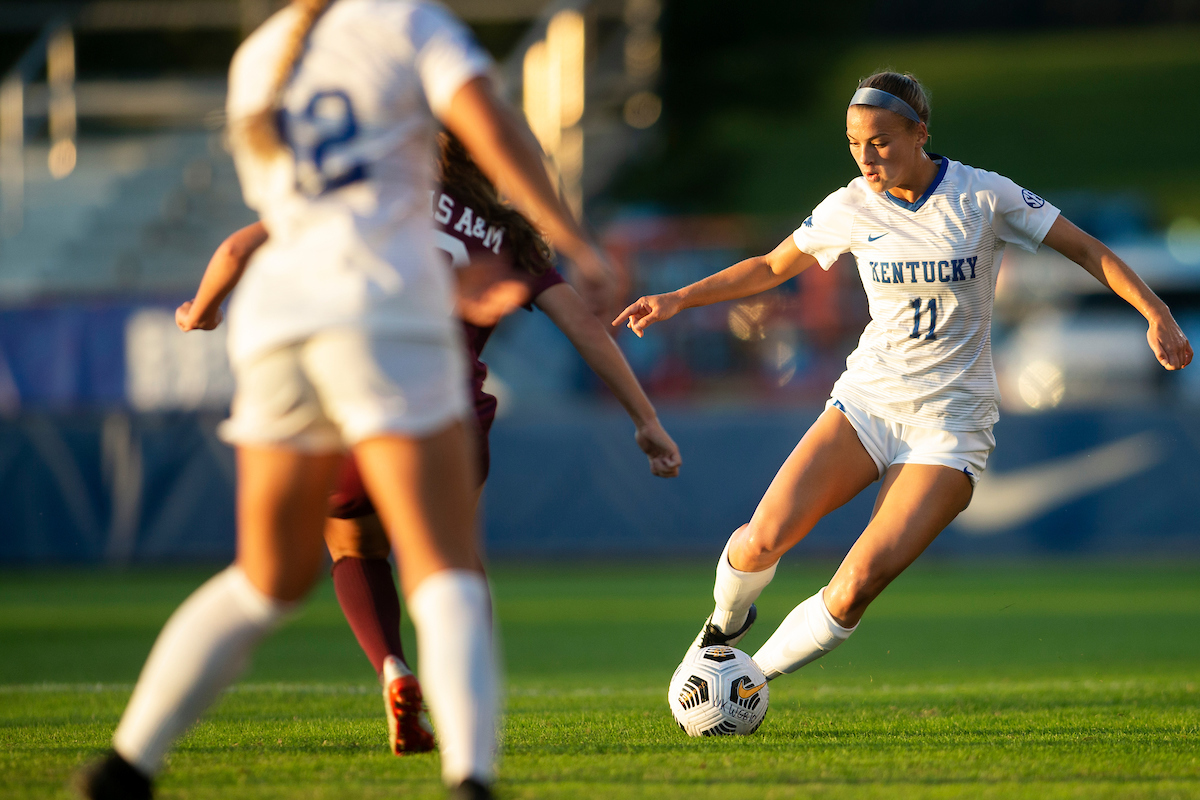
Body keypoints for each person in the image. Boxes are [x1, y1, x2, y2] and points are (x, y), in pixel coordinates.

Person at [76, 1, 616, 799]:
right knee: (442, 569)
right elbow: (490, 128)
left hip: (278, 316)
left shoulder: (259, 53)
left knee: (268, 578)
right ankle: (471, 780)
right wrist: (573, 241)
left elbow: (282, 213)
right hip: (382, 308)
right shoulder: (406, 23)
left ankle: (126, 765)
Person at [614, 71, 1192, 686]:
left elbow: (1085, 248)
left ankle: (743, 682)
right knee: (761, 540)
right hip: (867, 403)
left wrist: (1155, 312)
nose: (866, 157)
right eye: (854, 143)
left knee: (855, 585)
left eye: (882, 141)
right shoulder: (850, 206)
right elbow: (770, 265)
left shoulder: (983, 196)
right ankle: (719, 633)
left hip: (951, 425)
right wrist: (678, 298)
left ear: (920, 134)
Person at [189, 130, 682, 756]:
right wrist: (645, 419)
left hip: (352, 409)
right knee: (453, 572)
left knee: (351, 546)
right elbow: (585, 327)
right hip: (449, 420)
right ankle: (468, 731)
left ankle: (393, 668)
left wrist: (200, 309)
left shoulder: (368, 195)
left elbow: (237, 247)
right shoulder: (507, 236)